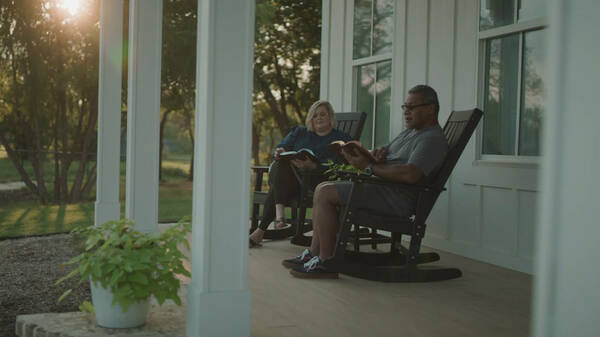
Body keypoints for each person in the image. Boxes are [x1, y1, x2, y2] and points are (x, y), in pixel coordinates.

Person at [282, 84, 449, 278]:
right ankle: (314, 253)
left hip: (396, 198)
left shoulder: (431, 139)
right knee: (322, 188)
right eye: (404, 107)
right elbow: (388, 151)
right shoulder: (411, 132)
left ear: (430, 108)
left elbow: (411, 174)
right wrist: (375, 154)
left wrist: (368, 167)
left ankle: (326, 262)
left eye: (411, 107)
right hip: (381, 188)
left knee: (324, 192)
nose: (406, 112)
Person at [249, 100, 352, 248]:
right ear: (310, 118)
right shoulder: (300, 132)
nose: (319, 118)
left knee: (278, 180)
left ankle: (264, 227)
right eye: (315, 115)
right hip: (292, 183)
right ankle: (276, 217)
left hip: (316, 184)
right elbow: (282, 146)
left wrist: (314, 167)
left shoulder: (341, 139)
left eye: (323, 114)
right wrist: (279, 151)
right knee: (281, 162)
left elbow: (341, 167)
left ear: (330, 117)